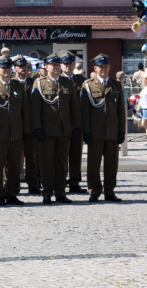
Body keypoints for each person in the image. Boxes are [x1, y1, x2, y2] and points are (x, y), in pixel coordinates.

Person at [31, 54, 81, 205]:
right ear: (46, 67)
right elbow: (35, 109)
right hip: (46, 130)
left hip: (64, 130)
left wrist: (76, 126)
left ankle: (60, 193)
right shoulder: (39, 83)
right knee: (46, 163)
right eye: (53, 65)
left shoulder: (67, 82)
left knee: (61, 164)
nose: (57, 67)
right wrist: (37, 128)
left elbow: (74, 107)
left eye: (58, 65)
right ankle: (46, 193)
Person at [0, 56, 30, 206]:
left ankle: (12, 193)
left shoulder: (18, 86)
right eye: (4, 69)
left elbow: (24, 110)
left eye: (9, 68)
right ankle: (0, 194)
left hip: (16, 132)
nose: (7, 71)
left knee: (15, 165)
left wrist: (26, 131)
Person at [81, 53, 126, 203]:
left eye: (106, 66)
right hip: (95, 131)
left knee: (112, 164)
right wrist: (86, 131)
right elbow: (85, 110)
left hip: (112, 131)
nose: (103, 69)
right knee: (93, 164)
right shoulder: (88, 85)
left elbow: (121, 110)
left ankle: (109, 191)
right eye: (100, 67)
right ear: (95, 68)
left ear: (110, 67)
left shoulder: (116, 85)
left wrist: (121, 131)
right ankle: (94, 191)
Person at [60, 51, 88, 194]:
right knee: (62, 155)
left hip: (78, 123)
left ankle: (75, 182)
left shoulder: (81, 80)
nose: (68, 66)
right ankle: (61, 181)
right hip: (62, 124)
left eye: (70, 63)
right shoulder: (57, 80)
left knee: (76, 155)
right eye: (65, 64)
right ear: (61, 65)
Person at [13, 55, 40, 195]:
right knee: (14, 156)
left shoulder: (34, 83)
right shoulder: (10, 82)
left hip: (31, 125)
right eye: (20, 67)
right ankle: (13, 184)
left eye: (25, 67)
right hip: (15, 125)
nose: (23, 69)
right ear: (15, 68)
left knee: (32, 157)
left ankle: (33, 184)